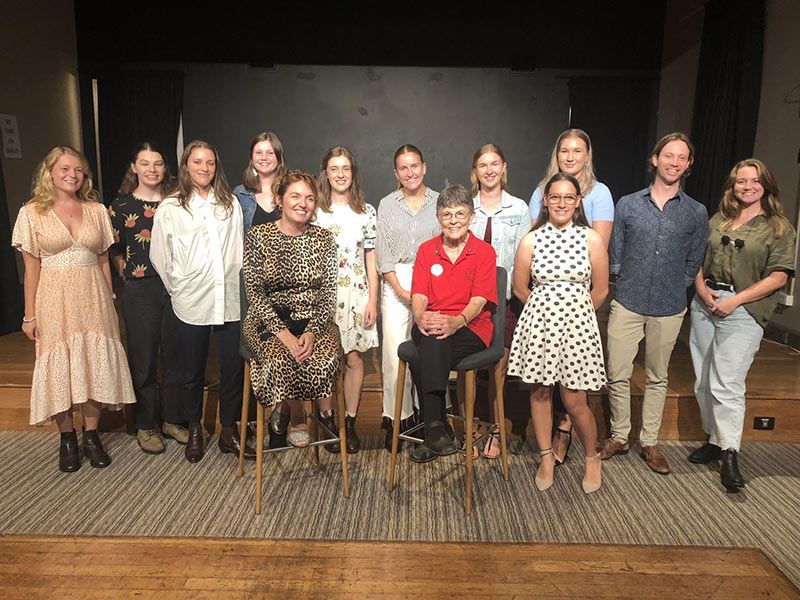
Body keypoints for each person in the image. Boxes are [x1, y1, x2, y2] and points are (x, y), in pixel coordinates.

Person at [11, 146, 135, 472]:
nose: (72, 175)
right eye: (65, 169)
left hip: (94, 296)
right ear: (49, 171)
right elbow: (31, 269)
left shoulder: (95, 210)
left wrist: (110, 300)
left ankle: (91, 435)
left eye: (78, 170)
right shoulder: (32, 212)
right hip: (53, 298)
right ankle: (67, 438)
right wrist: (29, 315)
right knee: (59, 367)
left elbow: (104, 260)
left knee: (94, 363)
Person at [600, 132, 709, 474]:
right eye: (668, 155)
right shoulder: (629, 204)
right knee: (617, 372)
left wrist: (681, 283)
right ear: (655, 159)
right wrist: (623, 278)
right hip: (628, 300)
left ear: (688, 164)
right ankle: (619, 436)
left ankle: (649, 441)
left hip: (670, 304)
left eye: (681, 157)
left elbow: (695, 259)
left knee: (657, 376)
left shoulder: (696, 212)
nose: (674, 162)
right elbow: (615, 250)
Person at [688, 158, 795, 491]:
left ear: (766, 185)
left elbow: (779, 276)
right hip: (705, 305)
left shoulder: (778, 227)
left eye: (754, 181)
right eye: (740, 181)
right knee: (704, 382)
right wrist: (702, 289)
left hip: (743, 311)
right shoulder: (718, 220)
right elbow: (696, 260)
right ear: (732, 186)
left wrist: (735, 300)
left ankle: (731, 453)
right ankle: (715, 441)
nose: (747, 187)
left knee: (727, 384)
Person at [150, 140, 254, 463]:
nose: (204, 168)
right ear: (186, 166)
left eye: (210, 162)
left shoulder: (229, 204)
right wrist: (179, 286)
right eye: (197, 162)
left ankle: (227, 431)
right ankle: (194, 427)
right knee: (191, 369)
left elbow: (238, 249)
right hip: (191, 300)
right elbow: (159, 256)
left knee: (232, 368)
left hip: (229, 299)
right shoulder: (171, 208)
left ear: (216, 166)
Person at [508, 173, 608, 494]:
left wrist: (575, 315)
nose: (562, 203)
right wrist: (546, 311)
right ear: (546, 201)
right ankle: (546, 456)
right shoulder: (531, 240)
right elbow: (521, 288)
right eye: (555, 197)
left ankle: (592, 457)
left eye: (568, 197)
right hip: (540, 325)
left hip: (578, 327)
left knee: (574, 398)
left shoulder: (590, 239)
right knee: (539, 392)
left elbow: (601, 290)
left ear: (578, 201)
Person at [528, 129, 614, 464]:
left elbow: (599, 266)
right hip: (546, 309)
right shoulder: (541, 192)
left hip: (582, 302)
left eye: (577, 150)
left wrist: (577, 312)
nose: (570, 155)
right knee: (544, 385)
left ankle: (571, 436)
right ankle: (551, 443)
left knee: (574, 389)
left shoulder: (600, 194)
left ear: (587, 155)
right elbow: (525, 279)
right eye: (564, 150)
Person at [242, 170, 341, 447]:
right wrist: (284, 335)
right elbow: (255, 293)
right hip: (267, 321)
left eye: (309, 198)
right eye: (295, 196)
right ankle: (290, 413)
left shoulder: (324, 239)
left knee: (325, 357)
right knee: (280, 358)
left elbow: (328, 294)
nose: (303, 203)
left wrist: (310, 332)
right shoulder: (258, 236)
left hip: (314, 320)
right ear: (279, 199)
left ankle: (310, 414)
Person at [406, 185, 497, 463]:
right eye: (447, 214)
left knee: (428, 350)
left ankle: (434, 426)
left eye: (460, 213)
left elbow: (479, 300)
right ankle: (438, 429)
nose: (453, 220)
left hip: (471, 326)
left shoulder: (484, 252)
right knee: (434, 337)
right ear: (438, 217)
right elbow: (419, 294)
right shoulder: (426, 250)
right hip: (431, 323)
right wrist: (420, 316)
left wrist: (455, 321)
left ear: (471, 216)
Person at [109, 142, 188, 454]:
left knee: (175, 356)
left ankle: (173, 419)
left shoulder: (179, 203)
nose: (152, 169)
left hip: (177, 288)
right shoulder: (120, 206)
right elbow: (112, 248)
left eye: (157, 163)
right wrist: (126, 274)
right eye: (145, 163)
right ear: (134, 167)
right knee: (143, 358)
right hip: (141, 288)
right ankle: (145, 424)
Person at [466, 143, 530, 458]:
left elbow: (524, 258)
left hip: (503, 302)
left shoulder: (519, 208)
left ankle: (493, 430)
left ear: (503, 167)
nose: (489, 170)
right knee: (466, 367)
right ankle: (467, 430)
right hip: (469, 302)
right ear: (475, 171)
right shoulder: (467, 207)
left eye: (495, 164)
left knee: (497, 369)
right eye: (482, 165)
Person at [376, 145, 440, 450]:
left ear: (424, 167)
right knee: (393, 353)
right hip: (396, 281)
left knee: (425, 352)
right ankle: (397, 419)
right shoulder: (387, 205)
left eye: (414, 166)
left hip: (433, 281)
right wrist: (402, 291)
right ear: (396, 173)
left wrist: (423, 292)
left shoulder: (440, 202)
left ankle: (427, 419)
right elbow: (383, 255)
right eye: (403, 168)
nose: (410, 172)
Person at [315, 146, 378, 453]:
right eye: (334, 169)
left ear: (353, 173)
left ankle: (349, 423)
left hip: (357, 294)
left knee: (354, 358)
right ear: (325, 173)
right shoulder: (314, 210)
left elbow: (371, 259)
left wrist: (372, 301)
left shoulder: (366, 211)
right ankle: (327, 419)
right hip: (322, 296)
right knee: (325, 360)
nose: (340, 174)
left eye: (346, 169)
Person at [234, 131, 287, 237]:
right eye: (258, 153)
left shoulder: (290, 191)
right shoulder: (240, 194)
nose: (264, 157)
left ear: (278, 157)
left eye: (270, 153)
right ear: (252, 158)